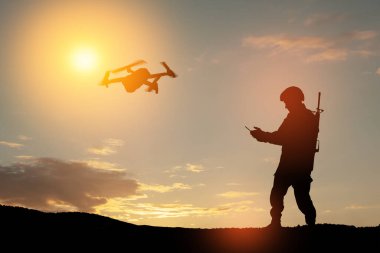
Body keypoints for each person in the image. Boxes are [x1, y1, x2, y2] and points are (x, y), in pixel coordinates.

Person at [250, 86, 317, 228]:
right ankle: (280, 223)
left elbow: (282, 137)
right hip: (296, 164)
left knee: (299, 197)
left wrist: (262, 136)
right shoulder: (301, 116)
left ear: (294, 99)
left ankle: (309, 226)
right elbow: (282, 136)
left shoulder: (301, 117)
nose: (286, 106)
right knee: (281, 194)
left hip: (295, 165)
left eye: (287, 101)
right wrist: (263, 135)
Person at [100, 60, 176, 94]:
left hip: (142, 73)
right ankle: (130, 70)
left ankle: (129, 70)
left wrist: (107, 80)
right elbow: (116, 80)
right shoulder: (126, 81)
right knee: (148, 79)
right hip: (141, 73)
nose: (136, 88)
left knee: (148, 79)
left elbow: (148, 79)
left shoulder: (128, 81)